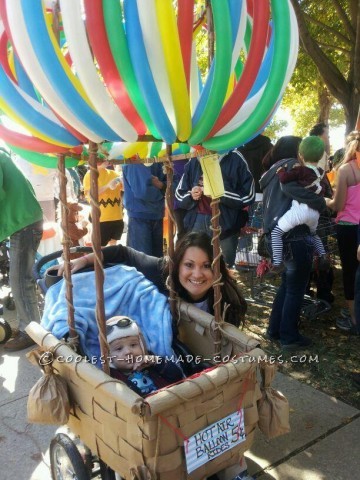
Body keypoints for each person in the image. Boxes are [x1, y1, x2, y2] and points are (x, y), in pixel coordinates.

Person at [58, 231, 252, 478]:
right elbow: (125, 253)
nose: (197, 274)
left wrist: (159, 361)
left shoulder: (227, 300)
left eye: (206, 266)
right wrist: (84, 261)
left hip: (191, 381)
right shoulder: (163, 274)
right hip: (152, 421)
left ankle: (233, 468)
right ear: (176, 265)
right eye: (189, 265)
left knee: (221, 426)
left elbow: (180, 369)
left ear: (217, 269)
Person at [259, 136, 326, 350]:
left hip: (277, 235)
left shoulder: (271, 171)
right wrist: (320, 202)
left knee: (288, 285)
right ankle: (289, 336)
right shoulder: (293, 168)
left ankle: (275, 329)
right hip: (295, 236)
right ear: (297, 151)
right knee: (295, 289)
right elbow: (294, 191)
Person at [175, 150, 255, 267]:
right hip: (197, 222)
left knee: (225, 267)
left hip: (226, 225)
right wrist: (191, 195)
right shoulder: (195, 159)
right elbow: (179, 194)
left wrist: (220, 193)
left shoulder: (234, 157)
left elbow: (249, 195)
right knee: (197, 265)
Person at [0, 149, 43, 351]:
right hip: (24, 221)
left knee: (20, 280)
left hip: (24, 223)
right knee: (20, 279)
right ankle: (28, 325)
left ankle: (32, 332)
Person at [270, 136, 327, 268]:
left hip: (300, 210)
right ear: (320, 157)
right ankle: (323, 254)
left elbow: (284, 179)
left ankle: (277, 262)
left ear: (300, 155)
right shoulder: (322, 173)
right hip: (315, 214)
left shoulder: (300, 169)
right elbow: (327, 191)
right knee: (314, 234)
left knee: (276, 232)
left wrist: (281, 171)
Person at [326, 131, 360, 333]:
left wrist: (324, 201)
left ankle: (354, 320)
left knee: (350, 271)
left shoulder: (346, 170)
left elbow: (338, 205)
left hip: (348, 227)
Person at [107, 315, 184, 396]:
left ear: (142, 345)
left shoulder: (151, 361)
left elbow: (177, 376)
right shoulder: (112, 378)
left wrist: (156, 361)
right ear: (109, 358)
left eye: (133, 345)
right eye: (119, 349)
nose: (128, 352)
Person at [122, 158, 166, 257]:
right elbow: (143, 191)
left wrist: (162, 186)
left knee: (150, 261)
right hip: (141, 214)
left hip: (150, 213)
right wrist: (162, 189)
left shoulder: (156, 155)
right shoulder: (134, 159)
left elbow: (172, 183)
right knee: (143, 260)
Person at [83, 159, 124, 246]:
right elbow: (91, 194)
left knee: (113, 248)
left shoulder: (114, 174)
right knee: (100, 248)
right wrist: (107, 186)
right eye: (103, 158)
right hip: (101, 218)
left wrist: (123, 180)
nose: (106, 160)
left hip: (117, 217)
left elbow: (124, 188)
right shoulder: (89, 175)